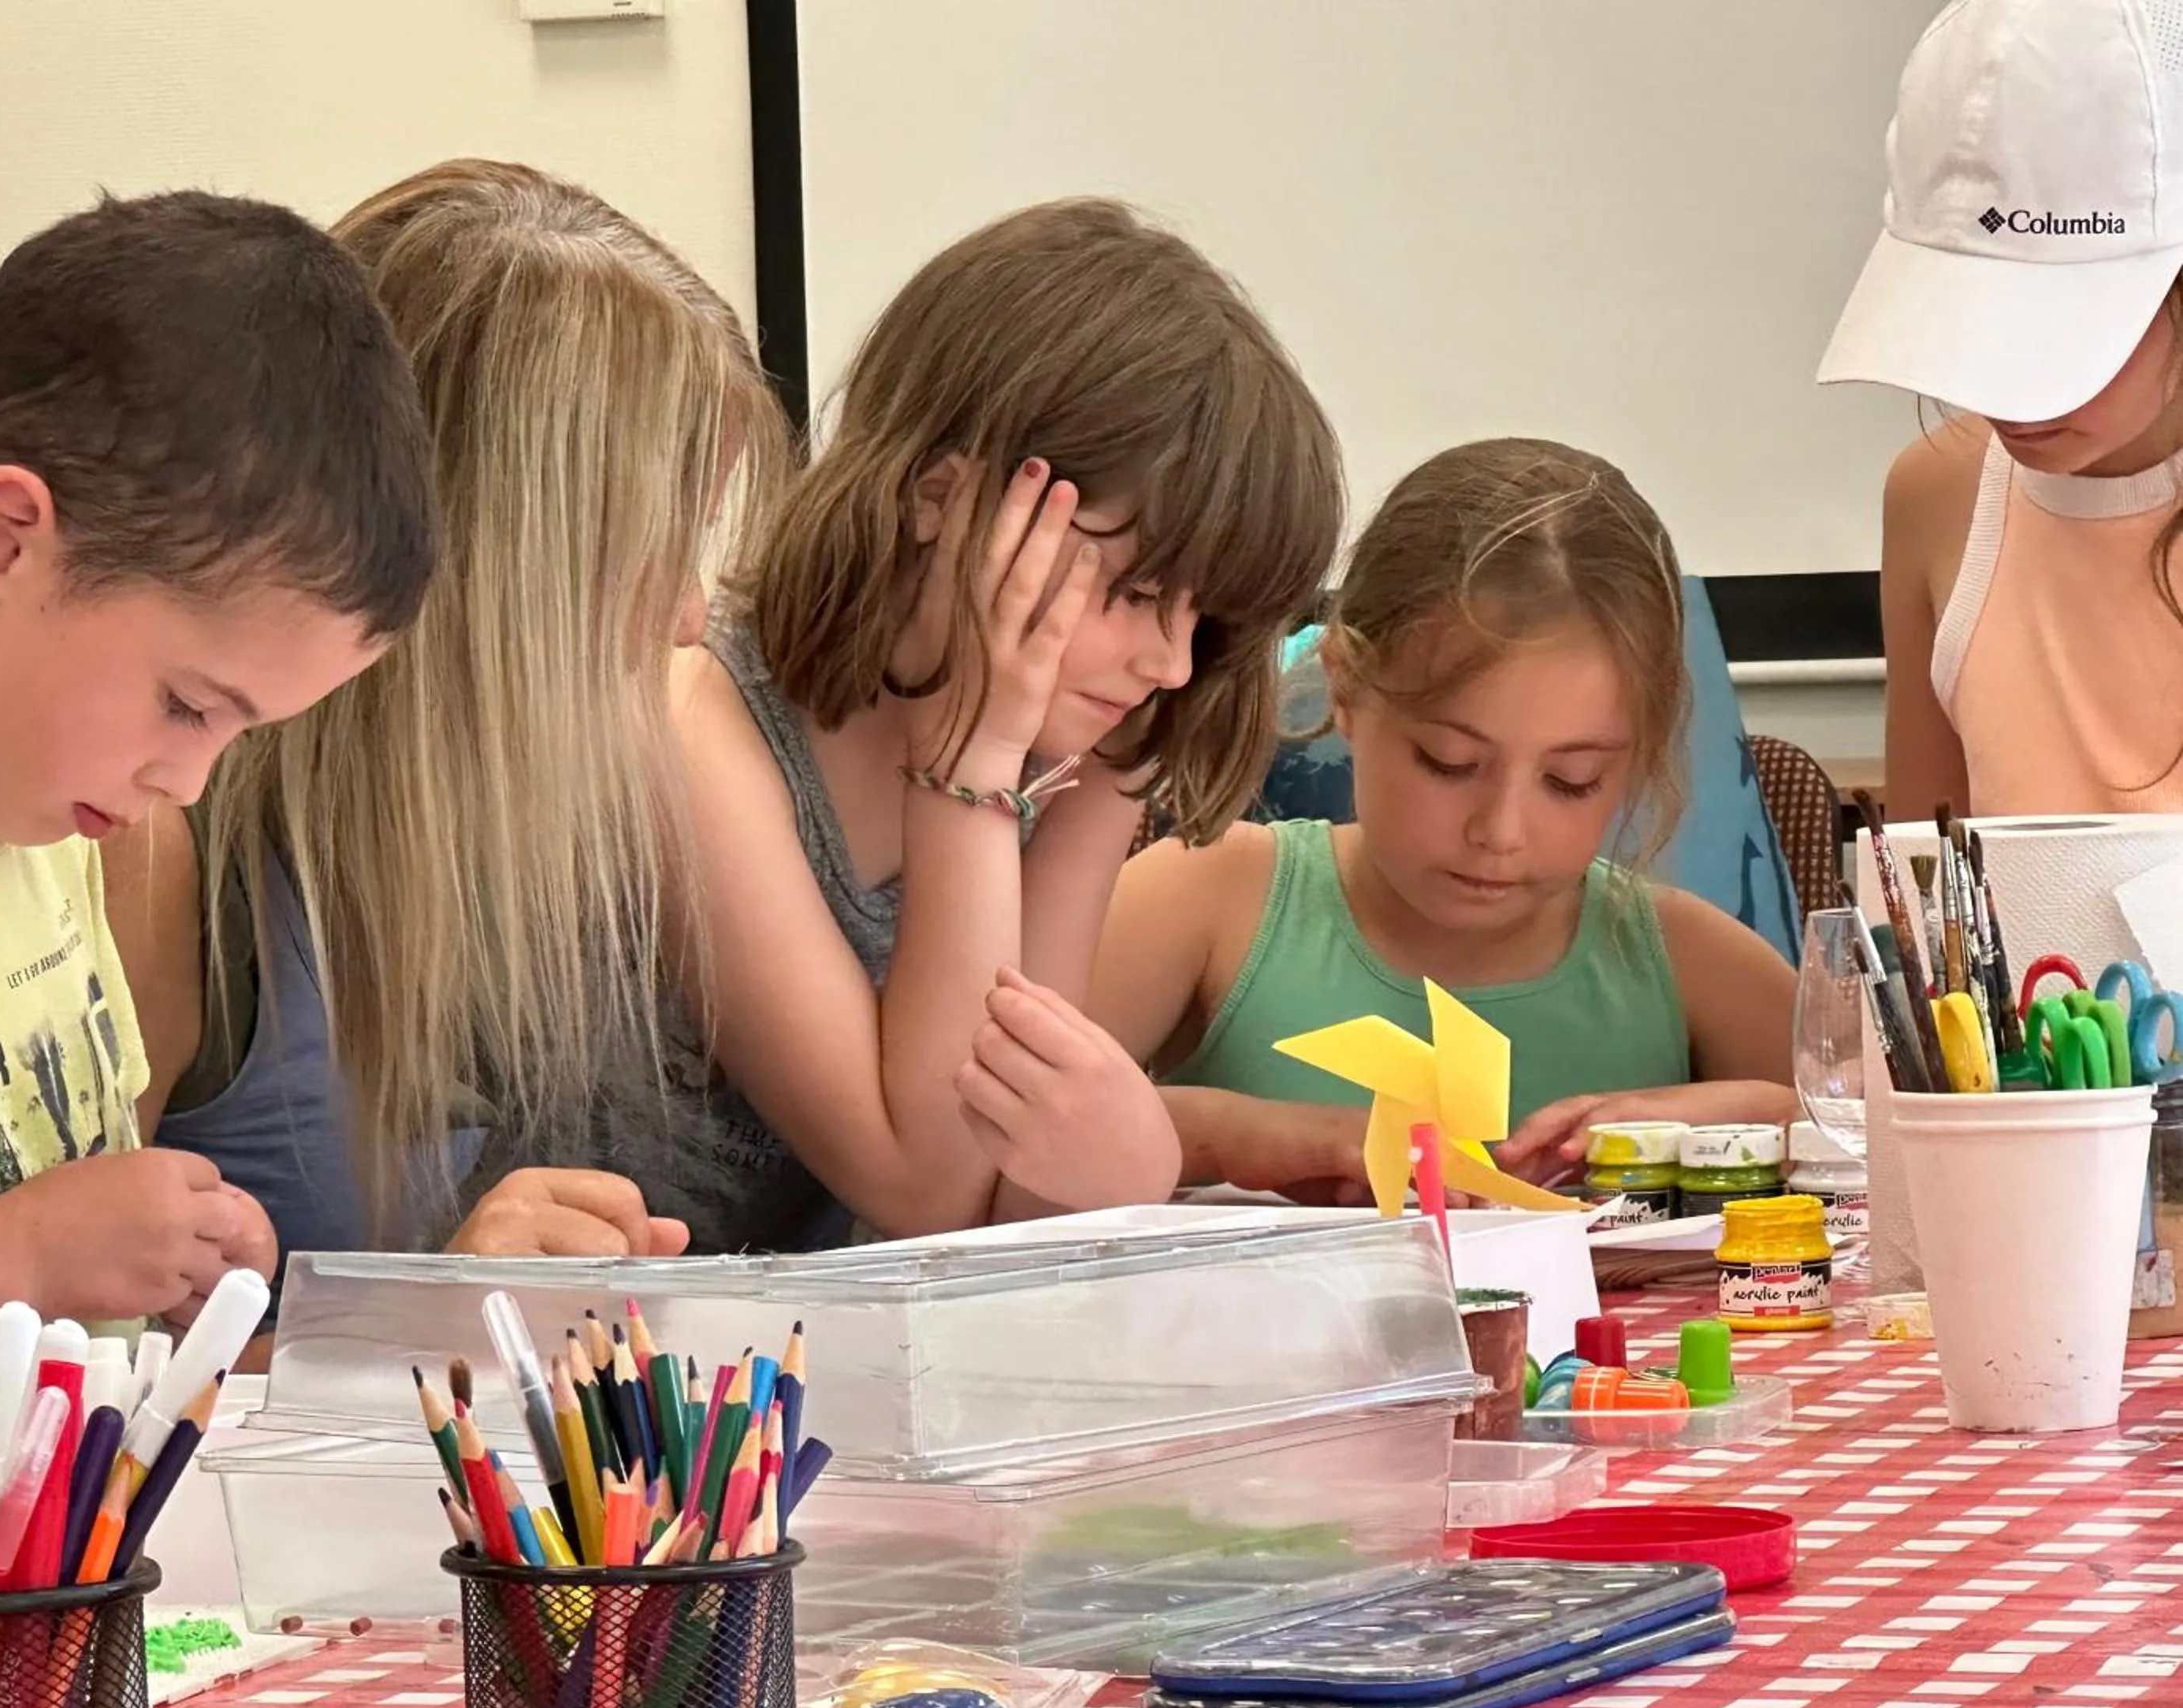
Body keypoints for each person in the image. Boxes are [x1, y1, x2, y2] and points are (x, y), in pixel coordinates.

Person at [107, 160, 787, 1286]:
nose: (688, 616)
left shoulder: (540, 834)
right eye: (652, 546)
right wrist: (423, 1315)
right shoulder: (155, 845)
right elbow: (54, 1392)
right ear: (499, 571)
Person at [0, 189, 437, 1359]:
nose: (192, 782)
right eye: (186, 704)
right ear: (2, 538)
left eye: (233, 733)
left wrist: (181, 1276)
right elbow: (15, 1259)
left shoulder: (55, 828)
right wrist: (16, 1259)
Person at [666, 197, 1345, 1249]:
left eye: (1201, 616)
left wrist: (1118, 1171)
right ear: (941, 495)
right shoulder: (695, 726)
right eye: (1136, 592)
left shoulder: (1095, 750)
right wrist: (968, 765)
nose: (1169, 664)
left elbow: (988, 1194)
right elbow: (920, 1186)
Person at [977, 439, 1797, 1201]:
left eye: (1572, 781)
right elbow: (970, 1179)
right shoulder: (1209, 901)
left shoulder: (1682, 958)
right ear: (1345, 688)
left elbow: (1892, 1140)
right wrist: (1231, 1137)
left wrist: (1757, 1118)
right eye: (1448, 763)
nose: (1501, 831)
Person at [1820, 0, 2183, 817]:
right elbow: (1925, 885)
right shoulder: (1936, 496)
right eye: (1962, 310)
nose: (2003, 382)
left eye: (2056, 322)